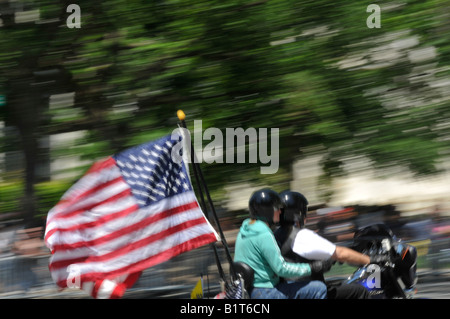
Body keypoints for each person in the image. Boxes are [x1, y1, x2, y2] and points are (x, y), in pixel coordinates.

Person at [274, 191, 389, 299]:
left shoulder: (275, 236)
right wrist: (371, 259)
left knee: (339, 282)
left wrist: (326, 261)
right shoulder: (300, 235)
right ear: (298, 213)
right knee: (360, 291)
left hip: (291, 292)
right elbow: (340, 253)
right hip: (310, 292)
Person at [233, 188, 328, 299]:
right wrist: (312, 268)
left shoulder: (245, 230)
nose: (280, 211)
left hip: (251, 290)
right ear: (267, 211)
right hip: (266, 292)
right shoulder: (264, 234)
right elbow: (281, 269)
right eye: (277, 208)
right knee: (319, 288)